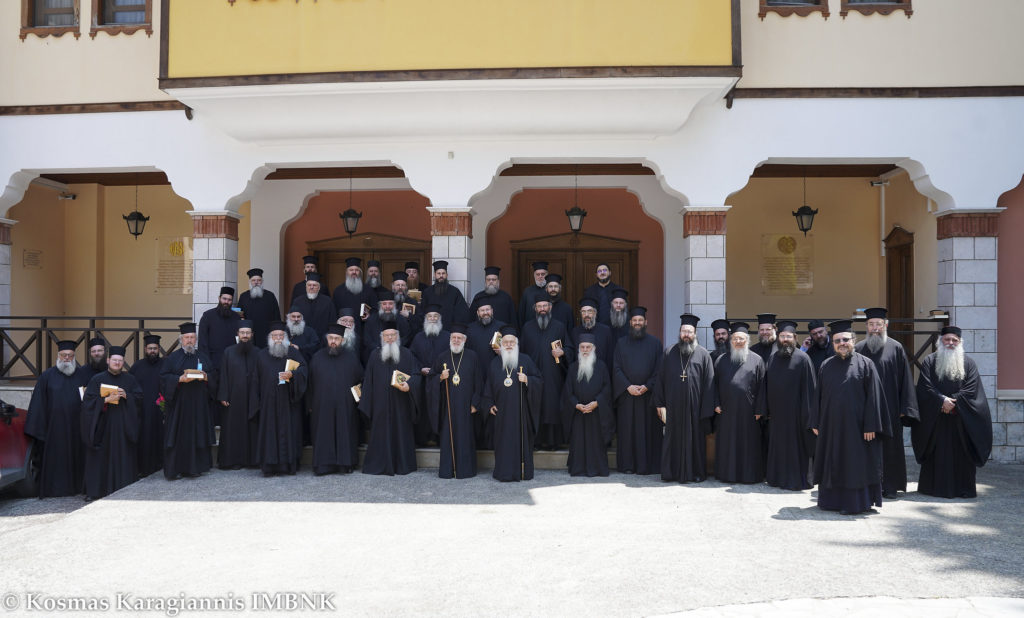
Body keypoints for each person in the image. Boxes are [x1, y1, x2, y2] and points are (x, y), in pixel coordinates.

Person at [812, 320, 890, 515]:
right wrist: (815, 421)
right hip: (831, 428)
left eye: (845, 339)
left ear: (854, 340)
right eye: (837, 340)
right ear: (833, 343)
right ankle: (831, 502)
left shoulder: (866, 364)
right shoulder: (826, 366)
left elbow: (874, 398)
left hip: (858, 429)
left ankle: (855, 503)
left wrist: (871, 425)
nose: (842, 343)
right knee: (833, 462)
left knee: (855, 465)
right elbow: (818, 396)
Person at [912, 326, 993, 498]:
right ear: (940, 341)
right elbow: (925, 386)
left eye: (954, 340)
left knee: (962, 455)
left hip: (961, 420)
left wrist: (953, 402)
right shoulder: (929, 361)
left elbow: (972, 389)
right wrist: (942, 400)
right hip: (936, 419)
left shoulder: (969, 363)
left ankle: (963, 489)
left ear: (960, 342)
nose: (950, 343)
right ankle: (932, 488)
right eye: (947, 339)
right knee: (936, 454)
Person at [855, 307, 920, 499]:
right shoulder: (858, 349)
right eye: (871, 324)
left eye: (878, 324)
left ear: (886, 325)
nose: (875, 328)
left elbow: (905, 380)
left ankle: (890, 486)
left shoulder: (896, 348)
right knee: (867, 448)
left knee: (890, 449)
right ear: (866, 326)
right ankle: (868, 485)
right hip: (864, 410)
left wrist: (904, 408)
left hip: (891, 410)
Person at [654, 314, 716, 483]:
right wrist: (660, 404)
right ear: (679, 332)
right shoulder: (669, 352)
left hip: (695, 410)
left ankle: (695, 473)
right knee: (672, 439)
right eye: (683, 331)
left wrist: (706, 411)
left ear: (695, 333)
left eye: (689, 331)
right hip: (673, 407)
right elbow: (660, 378)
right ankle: (670, 473)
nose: (686, 334)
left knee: (694, 441)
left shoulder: (704, 355)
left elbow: (710, 384)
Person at [25, 340, 90, 497]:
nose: (67, 358)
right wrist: (40, 428)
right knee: (56, 459)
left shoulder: (83, 376)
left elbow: (89, 401)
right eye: (64, 355)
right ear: (58, 356)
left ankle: (77, 488)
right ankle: (55, 490)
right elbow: (38, 403)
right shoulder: (47, 376)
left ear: (74, 356)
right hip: (55, 429)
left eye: (70, 355)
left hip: (76, 428)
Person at [480, 326, 543, 482]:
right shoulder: (495, 363)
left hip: (521, 412)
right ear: (501, 344)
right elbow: (487, 387)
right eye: (506, 342)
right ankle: (503, 472)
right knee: (503, 444)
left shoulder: (526, 360)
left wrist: (528, 380)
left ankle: (523, 472)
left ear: (516, 344)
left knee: (521, 442)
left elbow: (540, 382)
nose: (508, 345)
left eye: (511, 342)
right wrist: (489, 404)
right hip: (501, 413)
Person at [81, 346, 142, 501]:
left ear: (123, 362)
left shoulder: (130, 379)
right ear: (108, 360)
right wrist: (104, 401)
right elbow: (87, 402)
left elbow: (140, 399)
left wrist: (127, 396)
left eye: (120, 361)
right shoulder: (97, 379)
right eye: (114, 360)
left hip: (123, 428)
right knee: (99, 458)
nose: (117, 363)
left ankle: (124, 489)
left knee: (123, 456)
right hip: (103, 427)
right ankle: (96, 491)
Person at [359, 328, 423, 476]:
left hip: (401, 404)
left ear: (397, 337)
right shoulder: (375, 355)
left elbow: (417, 375)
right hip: (379, 404)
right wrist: (368, 403)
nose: (389, 338)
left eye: (392, 335)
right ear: (382, 338)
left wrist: (409, 386)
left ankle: (402, 465)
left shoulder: (407, 354)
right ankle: (379, 464)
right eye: (386, 336)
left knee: (401, 431)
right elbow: (368, 380)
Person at [764, 321, 817, 491]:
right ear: (778, 338)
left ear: (794, 338)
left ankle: (797, 481)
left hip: (798, 416)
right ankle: (777, 479)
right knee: (778, 447)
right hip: (778, 416)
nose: (785, 339)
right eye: (782, 336)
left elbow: (810, 390)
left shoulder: (803, 359)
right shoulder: (772, 359)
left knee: (797, 450)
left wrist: (810, 417)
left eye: (788, 336)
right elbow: (767, 386)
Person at [426, 324, 483, 479]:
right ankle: (447, 470)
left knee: (466, 437)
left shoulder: (472, 356)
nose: (456, 340)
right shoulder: (442, 357)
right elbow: (431, 379)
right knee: (448, 437)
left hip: (466, 406)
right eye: (453, 338)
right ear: (450, 339)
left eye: (459, 338)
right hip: (448, 407)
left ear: (464, 340)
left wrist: (475, 403)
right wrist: (440, 377)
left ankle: (466, 470)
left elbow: (479, 382)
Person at [712, 323, 766, 484]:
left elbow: (763, 386)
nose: (738, 341)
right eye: (735, 339)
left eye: (741, 339)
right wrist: (716, 403)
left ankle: (748, 475)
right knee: (727, 444)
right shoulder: (721, 360)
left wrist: (760, 409)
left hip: (749, 412)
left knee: (748, 444)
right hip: (726, 411)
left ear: (747, 340)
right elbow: (712, 384)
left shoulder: (757, 360)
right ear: (731, 340)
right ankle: (726, 475)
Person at [160, 322, 216, 480]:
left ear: (196, 339)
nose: (190, 341)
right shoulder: (172, 358)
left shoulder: (203, 356)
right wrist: (179, 379)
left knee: (198, 435)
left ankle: (196, 467)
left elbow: (213, 377)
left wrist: (207, 377)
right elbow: (163, 378)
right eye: (187, 338)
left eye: (192, 337)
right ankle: (177, 468)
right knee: (178, 437)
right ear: (181, 340)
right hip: (179, 406)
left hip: (199, 405)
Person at [612, 307, 663, 475]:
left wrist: (647, 386)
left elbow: (659, 369)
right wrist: (628, 386)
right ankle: (628, 465)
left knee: (647, 432)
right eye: (635, 321)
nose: (637, 323)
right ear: (630, 323)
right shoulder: (621, 343)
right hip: (627, 396)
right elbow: (616, 368)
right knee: (628, 432)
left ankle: (647, 466)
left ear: (646, 322)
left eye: (640, 320)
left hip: (648, 396)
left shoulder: (655, 343)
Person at [308, 324, 364, 475]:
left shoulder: (351, 358)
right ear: (327, 339)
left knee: (345, 433)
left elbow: (360, 380)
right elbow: (310, 383)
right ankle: (323, 466)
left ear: (342, 340)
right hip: (321, 405)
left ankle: (345, 464)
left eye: (337, 339)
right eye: (331, 338)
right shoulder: (317, 357)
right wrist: (310, 404)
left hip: (345, 405)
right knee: (323, 434)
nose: (333, 341)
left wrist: (358, 398)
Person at [255, 321, 309, 476]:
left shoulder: (293, 353)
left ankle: (288, 466)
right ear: (270, 338)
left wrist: (293, 375)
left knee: (289, 433)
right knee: (269, 433)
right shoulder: (261, 355)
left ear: (285, 337)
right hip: (268, 404)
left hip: (288, 402)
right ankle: (269, 467)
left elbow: (305, 370)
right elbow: (255, 380)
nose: (278, 338)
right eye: (275, 335)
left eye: (281, 335)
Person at [520, 298, 572, 449]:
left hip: (553, 374)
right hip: (532, 374)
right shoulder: (527, 327)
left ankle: (552, 442)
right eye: (539, 306)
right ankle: (535, 441)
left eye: (545, 306)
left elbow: (570, 348)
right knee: (533, 404)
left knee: (551, 406)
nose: (542, 308)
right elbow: (521, 351)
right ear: (534, 308)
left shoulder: (559, 327)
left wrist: (562, 351)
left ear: (550, 308)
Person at [561, 334, 614, 477]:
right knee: (578, 442)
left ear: (594, 349)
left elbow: (607, 389)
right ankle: (578, 468)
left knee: (596, 442)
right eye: (582, 347)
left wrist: (596, 403)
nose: (585, 350)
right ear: (579, 349)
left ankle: (597, 469)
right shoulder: (573, 368)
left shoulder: (602, 367)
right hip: (578, 413)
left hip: (597, 412)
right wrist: (576, 405)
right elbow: (567, 391)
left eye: (588, 347)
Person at [217, 320, 261, 470]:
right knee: (232, 429)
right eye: (242, 333)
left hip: (252, 399)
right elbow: (223, 374)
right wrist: (223, 395)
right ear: (237, 334)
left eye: (248, 333)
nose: (245, 335)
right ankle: (232, 461)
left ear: (252, 335)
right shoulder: (228, 352)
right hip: (233, 399)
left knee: (252, 429)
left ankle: (252, 461)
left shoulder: (258, 352)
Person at [466, 297, 505, 450]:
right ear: (477, 312)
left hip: (496, 375)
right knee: (476, 408)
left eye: (488, 310)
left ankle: (493, 443)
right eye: (482, 310)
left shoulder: (502, 328)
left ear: (492, 311)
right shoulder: (469, 329)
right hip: (475, 376)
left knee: (492, 407)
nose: (485, 313)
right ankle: (478, 443)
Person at [409, 305, 448, 446]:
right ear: (425, 319)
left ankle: (439, 438)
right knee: (424, 409)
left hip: (441, 382)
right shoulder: (418, 337)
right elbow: (412, 356)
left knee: (440, 409)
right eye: (430, 316)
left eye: (435, 316)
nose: (432, 319)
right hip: (423, 381)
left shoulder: (447, 337)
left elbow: (451, 357)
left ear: (439, 319)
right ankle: (423, 438)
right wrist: (420, 369)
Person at [130, 334, 165, 477]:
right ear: (145, 349)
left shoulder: (165, 364)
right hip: (142, 411)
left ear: (158, 349)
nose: (152, 351)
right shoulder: (137, 366)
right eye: (150, 348)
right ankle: (143, 468)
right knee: (144, 439)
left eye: (155, 348)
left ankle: (161, 466)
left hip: (160, 410)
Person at [362, 289, 413, 361]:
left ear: (394, 305)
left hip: (397, 355)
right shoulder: (371, 320)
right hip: (376, 356)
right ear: (380, 305)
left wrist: (395, 347)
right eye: (384, 304)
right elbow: (367, 339)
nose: (387, 306)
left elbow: (406, 337)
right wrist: (378, 349)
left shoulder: (401, 319)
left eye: (390, 303)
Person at [198, 286, 241, 372]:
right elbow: (202, 342)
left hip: (231, 364)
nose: (226, 302)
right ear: (219, 298)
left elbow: (239, 341)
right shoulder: (208, 316)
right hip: (213, 363)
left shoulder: (236, 318)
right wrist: (206, 363)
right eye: (224, 299)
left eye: (229, 300)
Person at [236, 267, 280, 348]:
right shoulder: (243, 296)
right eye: (253, 280)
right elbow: (239, 315)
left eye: (259, 280)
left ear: (262, 282)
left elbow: (276, 316)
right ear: (250, 282)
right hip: (249, 335)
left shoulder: (270, 296)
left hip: (266, 334)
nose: (256, 282)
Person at [421, 260, 471, 326]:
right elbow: (422, 312)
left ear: (447, 275)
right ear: (434, 275)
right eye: (438, 273)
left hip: (450, 330)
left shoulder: (455, 292)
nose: (441, 276)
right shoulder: (427, 292)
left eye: (443, 273)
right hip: (431, 328)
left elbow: (462, 312)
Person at [570, 297, 615, 371]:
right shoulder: (575, 331)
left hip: (601, 373)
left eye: (589, 311)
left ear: (595, 313)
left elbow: (610, 356)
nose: (586, 314)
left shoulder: (605, 330)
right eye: (583, 312)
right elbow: (573, 357)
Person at [331, 257, 377, 326]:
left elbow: (375, 309)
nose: (354, 272)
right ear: (347, 272)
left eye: (357, 270)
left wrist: (370, 316)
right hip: (344, 328)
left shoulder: (368, 290)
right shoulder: (338, 291)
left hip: (363, 327)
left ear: (360, 273)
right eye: (351, 270)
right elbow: (333, 312)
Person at [290, 274, 336, 341]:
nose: (311, 287)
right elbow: (292, 320)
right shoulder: (297, 301)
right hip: (303, 339)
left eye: (314, 285)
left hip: (322, 340)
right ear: (306, 287)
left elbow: (332, 321)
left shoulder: (328, 302)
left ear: (319, 287)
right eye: (309, 285)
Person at [583, 262, 626, 327]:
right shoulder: (589, 291)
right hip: (595, 327)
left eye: (605, 270)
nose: (602, 273)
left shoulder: (618, 290)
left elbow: (624, 310)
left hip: (615, 326)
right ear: (596, 275)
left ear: (610, 272)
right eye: (599, 271)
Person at [517, 261, 549, 326]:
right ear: (534, 276)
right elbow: (521, 314)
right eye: (538, 274)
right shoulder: (527, 291)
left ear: (547, 275)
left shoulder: (551, 290)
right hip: (530, 328)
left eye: (543, 274)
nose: (540, 276)